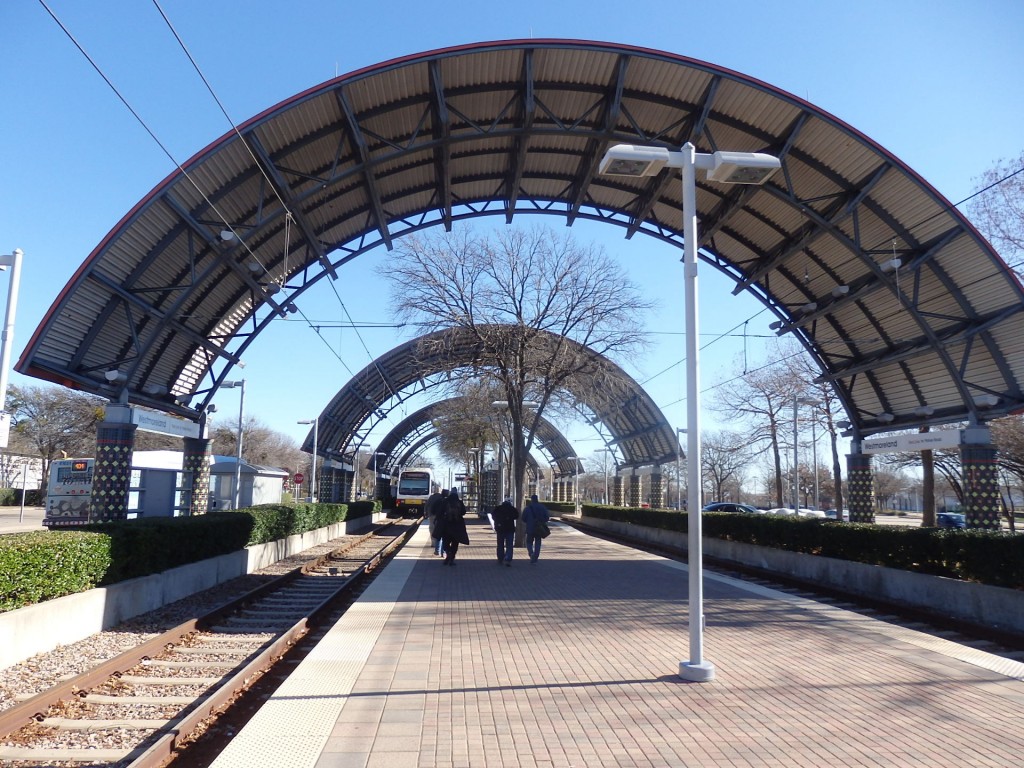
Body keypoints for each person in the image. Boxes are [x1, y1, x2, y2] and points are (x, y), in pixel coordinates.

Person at [440, 488, 469, 566]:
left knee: (445, 542)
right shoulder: (459, 502)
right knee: (455, 543)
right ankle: (451, 559)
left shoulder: (446, 501)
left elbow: (440, 511)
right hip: (457, 525)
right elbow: (463, 512)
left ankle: (448, 554)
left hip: (446, 525)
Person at [521, 494, 550, 563]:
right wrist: (541, 522)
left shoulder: (527, 508)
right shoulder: (542, 507)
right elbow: (547, 517)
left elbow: (523, 518)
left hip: (530, 528)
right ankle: (536, 556)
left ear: (531, 500)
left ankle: (531, 553)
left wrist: (529, 522)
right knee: (538, 542)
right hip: (539, 528)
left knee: (529, 542)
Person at [492, 498, 518, 566]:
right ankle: (508, 558)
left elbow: (493, 516)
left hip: (500, 529)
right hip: (510, 529)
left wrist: (498, 522)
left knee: (500, 544)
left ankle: (500, 558)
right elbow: (516, 516)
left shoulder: (498, 509)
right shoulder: (512, 509)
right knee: (509, 545)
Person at [425, 488, 448, 556]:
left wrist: (427, 513)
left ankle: (434, 545)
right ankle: (442, 552)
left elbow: (428, 506)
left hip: (433, 516)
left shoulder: (433, 497)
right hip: (444, 519)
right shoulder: (446, 500)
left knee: (433, 530)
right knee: (444, 535)